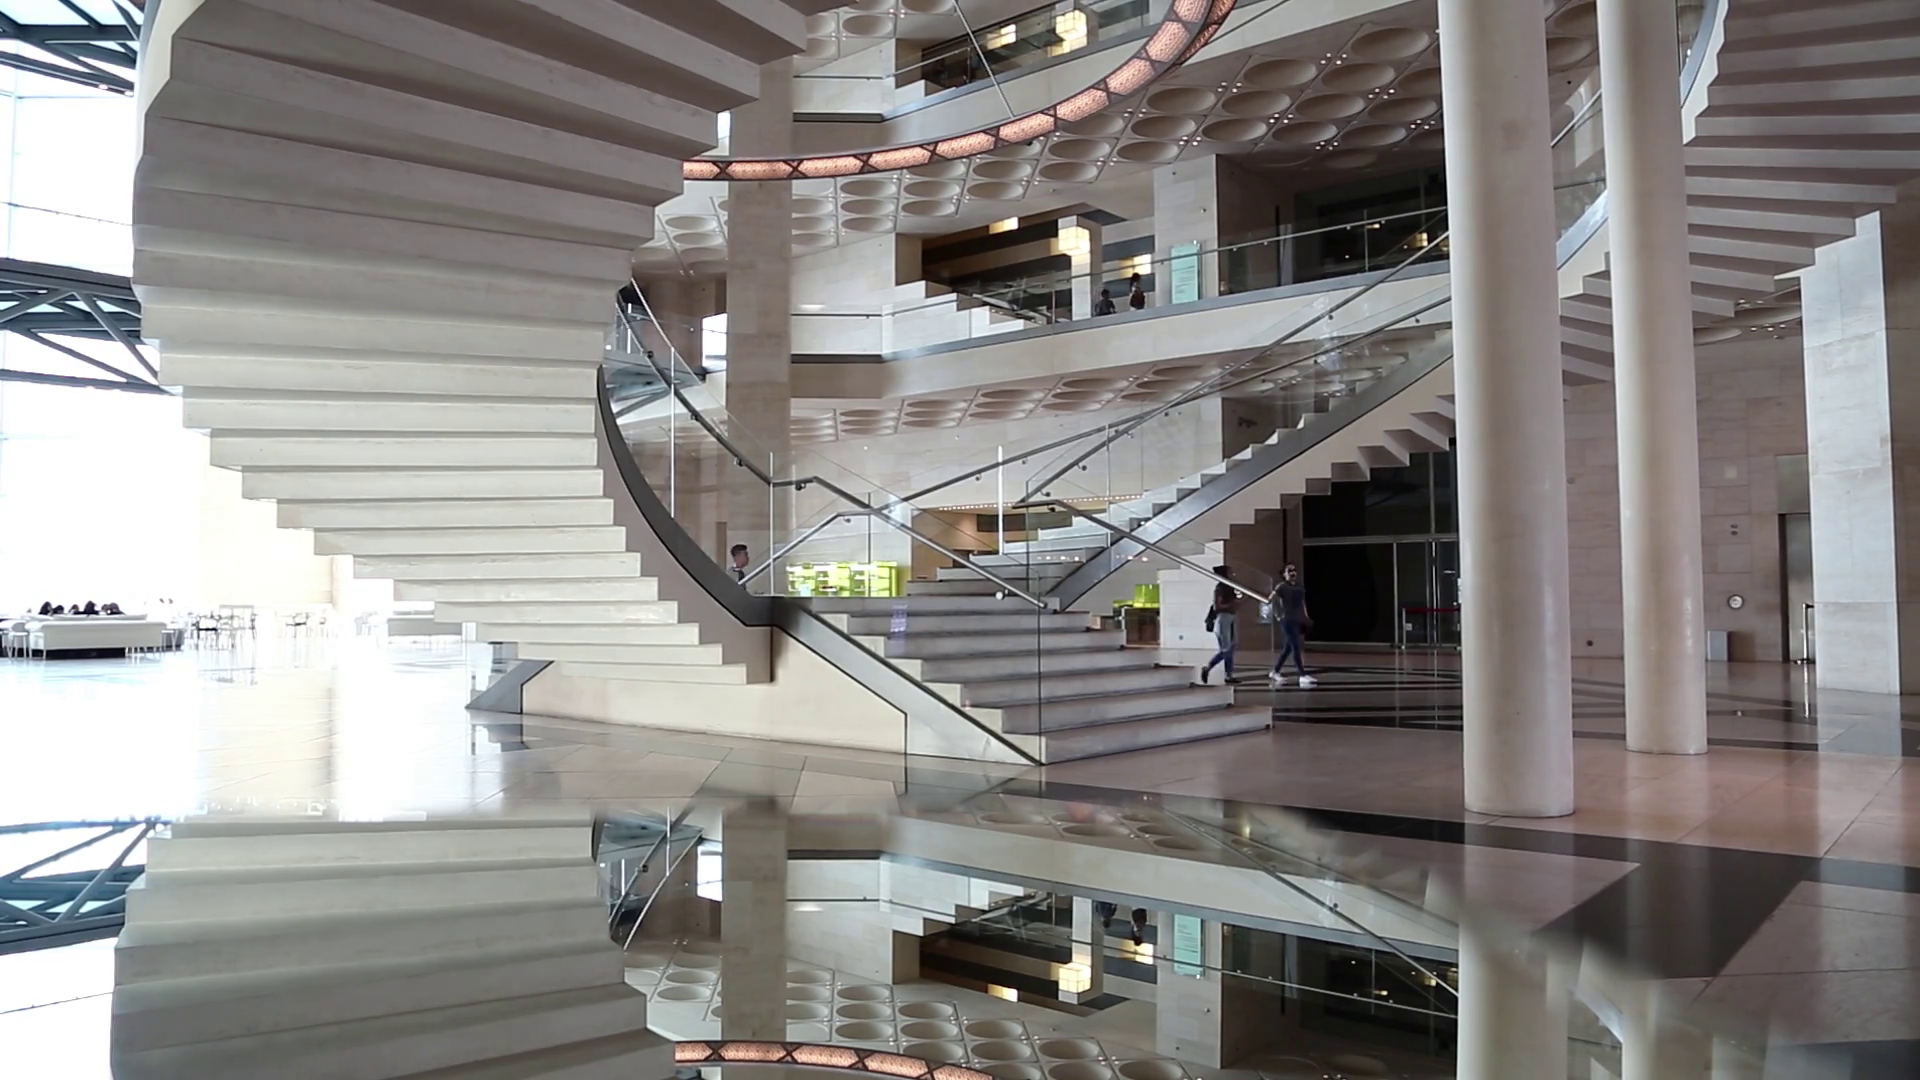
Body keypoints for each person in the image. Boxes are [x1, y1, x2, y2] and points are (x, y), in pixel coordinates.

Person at [1269, 563, 1315, 687]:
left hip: (1297, 620)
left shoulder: (1300, 586)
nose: (1292, 573)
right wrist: (1278, 615)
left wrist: (1305, 616)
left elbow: (1302, 602)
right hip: (1287, 620)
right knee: (1295, 646)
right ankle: (1302, 674)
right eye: (1289, 571)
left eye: (1294, 570)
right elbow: (1271, 599)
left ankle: (1275, 671)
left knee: (1288, 648)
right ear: (1284, 574)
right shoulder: (1281, 586)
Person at [1199, 565, 1239, 684]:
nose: (1232, 574)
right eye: (1230, 572)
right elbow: (1218, 606)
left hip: (1231, 617)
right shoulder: (1220, 588)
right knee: (1226, 649)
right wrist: (1231, 605)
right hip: (1224, 618)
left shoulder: (1229, 587)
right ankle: (1208, 667)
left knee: (1231, 648)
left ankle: (1229, 675)